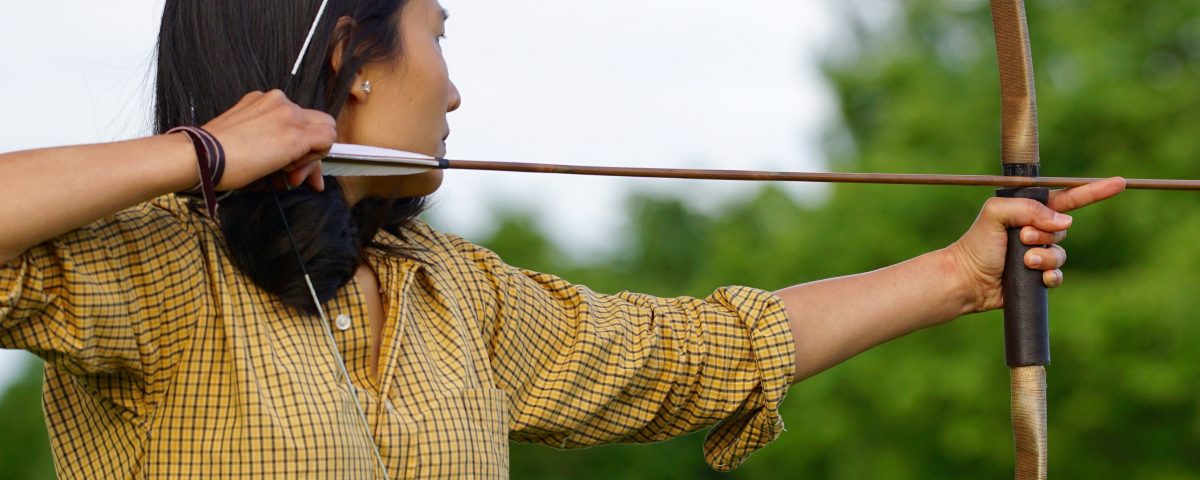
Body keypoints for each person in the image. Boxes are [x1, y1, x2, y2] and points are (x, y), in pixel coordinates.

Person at [0, 0, 1126, 478]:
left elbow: (694, 353)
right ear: (349, 58)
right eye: (439, 35)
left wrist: (953, 274)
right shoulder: (153, 265)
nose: (454, 88)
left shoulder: (452, 295)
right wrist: (199, 154)